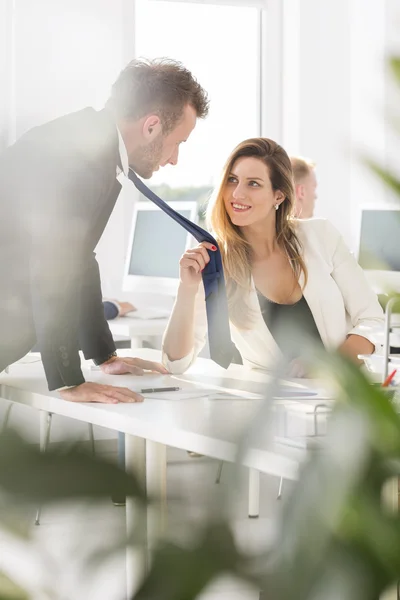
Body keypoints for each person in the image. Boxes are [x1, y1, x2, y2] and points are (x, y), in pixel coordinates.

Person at [0, 58, 209, 403]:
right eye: (178, 143)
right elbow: (54, 265)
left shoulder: (91, 145)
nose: (174, 160)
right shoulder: (78, 159)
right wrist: (68, 379)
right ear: (152, 126)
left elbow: (79, 259)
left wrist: (103, 355)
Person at [162, 138, 384, 378]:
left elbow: (372, 320)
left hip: (346, 394)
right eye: (232, 180)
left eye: (253, 184)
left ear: (278, 196)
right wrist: (187, 288)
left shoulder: (321, 236)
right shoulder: (217, 262)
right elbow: (176, 363)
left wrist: (329, 365)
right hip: (274, 406)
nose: (237, 194)